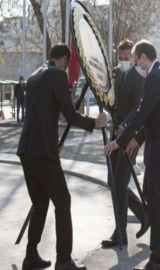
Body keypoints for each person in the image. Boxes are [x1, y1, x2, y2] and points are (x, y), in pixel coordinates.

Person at [17, 44, 107, 270]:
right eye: (69, 62)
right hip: (42, 153)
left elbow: (41, 114)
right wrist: (96, 123)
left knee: (40, 203)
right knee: (63, 201)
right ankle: (64, 260)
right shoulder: (57, 75)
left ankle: (30, 257)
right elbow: (70, 115)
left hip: (27, 149)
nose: (69, 67)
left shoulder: (35, 76)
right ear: (66, 59)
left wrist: (53, 140)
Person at [104, 40, 160, 270]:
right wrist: (134, 139)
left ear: (144, 58)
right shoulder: (157, 75)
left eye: (134, 59)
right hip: (158, 142)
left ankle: (158, 257)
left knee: (154, 196)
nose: (133, 64)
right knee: (153, 197)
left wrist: (119, 142)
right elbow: (149, 114)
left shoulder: (157, 76)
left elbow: (142, 113)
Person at [101, 39, 148, 248]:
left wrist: (126, 125)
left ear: (134, 58)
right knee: (113, 183)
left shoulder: (140, 76)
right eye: (120, 58)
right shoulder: (115, 73)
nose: (123, 62)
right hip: (115, 134)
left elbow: (139, 106)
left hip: (130, 136)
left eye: (127, 58)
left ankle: (120, 234)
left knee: (119, 184)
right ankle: (143, 214)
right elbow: (111, 98)